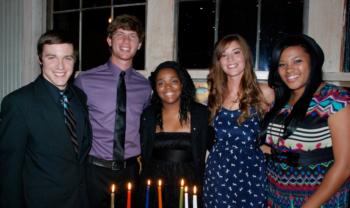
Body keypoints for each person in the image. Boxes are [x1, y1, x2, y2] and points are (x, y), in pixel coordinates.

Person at [0, 30, 91, 208]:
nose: (61, 66)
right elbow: (8, 172)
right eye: (52, 57)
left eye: (67, 58)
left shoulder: (79, 97)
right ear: (40, 59)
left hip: (80, 199)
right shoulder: (18, 103)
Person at [260, 34, 350, 208]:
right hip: (276, 195)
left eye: (297, 61)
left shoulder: (335, 100)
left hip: (319, 199)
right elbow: (276, 146)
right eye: (282, 64)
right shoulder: (280, 101)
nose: (289, 69)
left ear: (313, 62)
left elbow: (345, 165)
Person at [74, 14, 151, 208]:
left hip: (131, 172)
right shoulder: (85, 81)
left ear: (139, 44)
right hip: (94, 171)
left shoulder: (145, 87)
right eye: (120, 34)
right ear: (109, 40)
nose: (126, 41)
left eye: (133, 36)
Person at [203, 34, 273, 207]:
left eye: (236, 52)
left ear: (245, 56)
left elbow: (279, 134)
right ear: (218, 61)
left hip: (251, 173)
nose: (230, 59)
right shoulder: (215, 95)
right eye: (224, 55)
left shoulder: (264, 92)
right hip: (218, 173)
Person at [140, 61, 213, 208]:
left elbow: (215, 147)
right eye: (161, 83)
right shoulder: (148, 115)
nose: (167, 87)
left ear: (182, 83)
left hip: (189, 186)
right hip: (155, 186)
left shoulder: (201, 114)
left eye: (174, 81)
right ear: (155, 87)